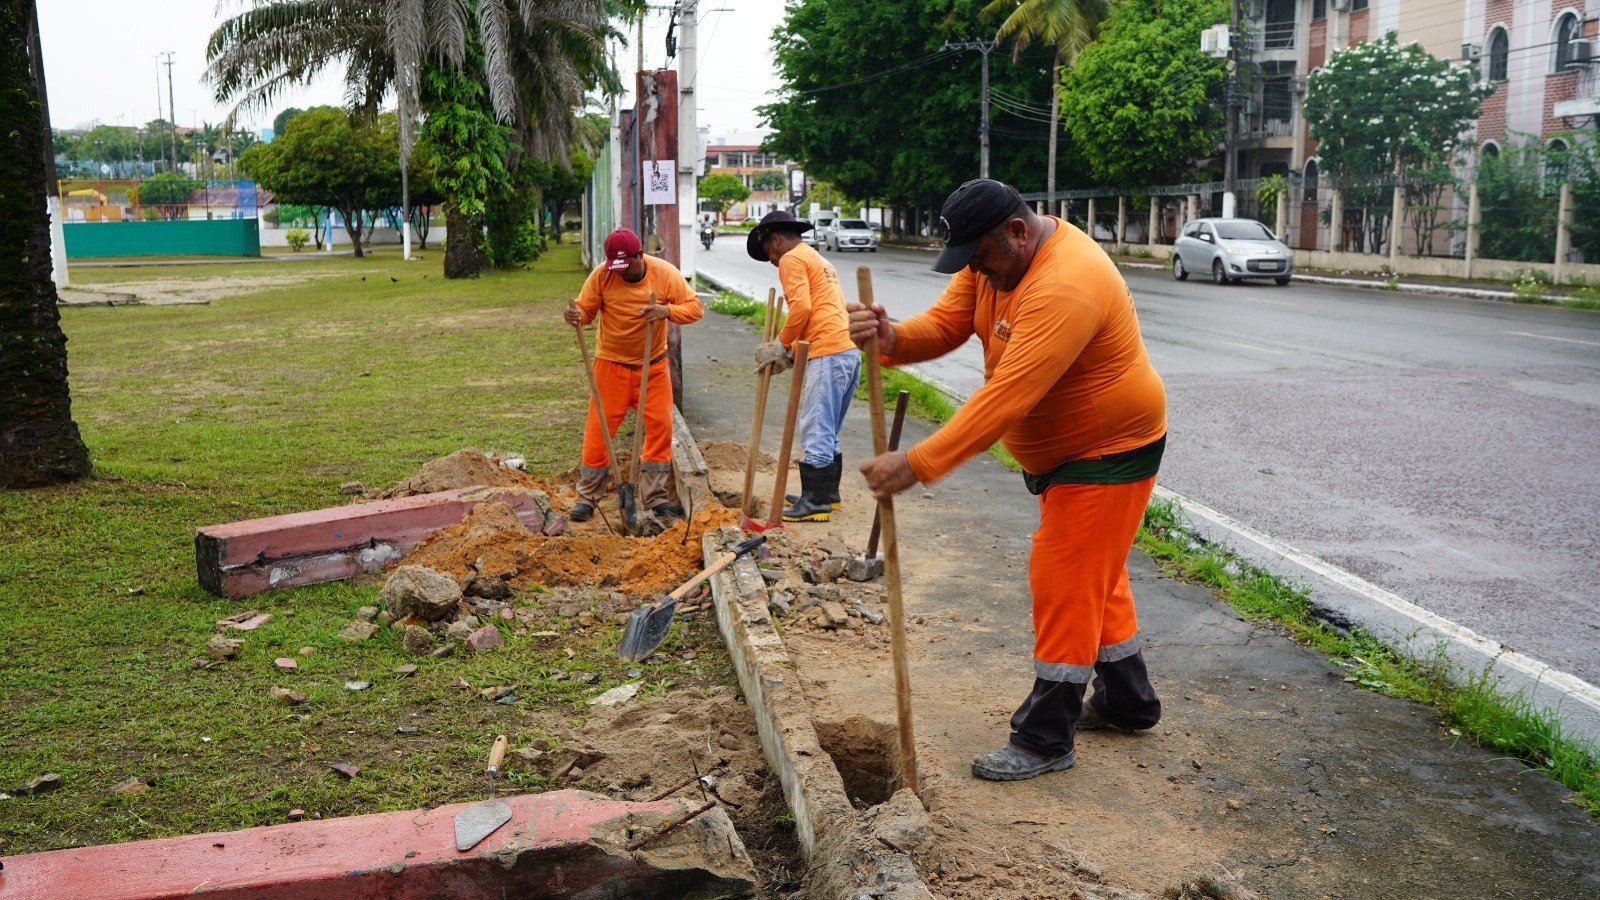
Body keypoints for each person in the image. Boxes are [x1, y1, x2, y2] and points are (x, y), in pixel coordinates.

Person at [846, 179, 1167, 781]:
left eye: (983, 260)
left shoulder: (1065, 283)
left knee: (1066, 577)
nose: (978, 273)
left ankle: (1045, 737)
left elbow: (1007, 398)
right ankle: (1129, 700)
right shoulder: (992, 258)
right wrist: (890, 339)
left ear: (1016, 233)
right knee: (1095, 573)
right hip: (1065, 456)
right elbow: (944, 325)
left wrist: (916, 464)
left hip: (1109, 449)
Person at [563, 228, 703, 523]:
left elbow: (695, 308)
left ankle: (654, 497)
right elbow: (585, 312)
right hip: (610, 366)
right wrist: (576, 316)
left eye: (627, 264)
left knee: (660, 428)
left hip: (652, 367)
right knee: (598, 431)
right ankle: (588, 496)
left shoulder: (665, 274)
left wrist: (666, 311)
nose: (621, 271)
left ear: (640, 255)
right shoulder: (602, 275)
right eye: (616, 265)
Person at [747, 210, 860, 522]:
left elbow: (802, 308)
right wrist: (793, 351)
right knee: (829, 428)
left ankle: (816, 503)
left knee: (816, 428)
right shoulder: (818, 258)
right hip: (846, 351)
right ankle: (827, 494)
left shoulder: (791, 259)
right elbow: (820, 311)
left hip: (827, 352)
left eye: (769, 252)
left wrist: (780, 345)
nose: (771, 260)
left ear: (776, 240)